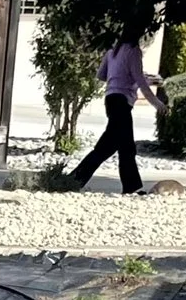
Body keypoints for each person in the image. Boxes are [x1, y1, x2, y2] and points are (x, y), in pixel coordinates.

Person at [66, 35, 166, 194]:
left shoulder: (112, 50)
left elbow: (101, 75)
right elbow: (139, 81)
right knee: (124, 148)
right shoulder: (133, 51)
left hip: (111, 100)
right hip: (122, 102)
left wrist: (120, 75)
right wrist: (157, 103)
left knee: (109, 147)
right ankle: (130, 188)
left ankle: (73, 180)